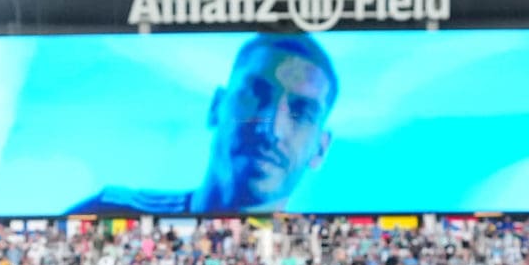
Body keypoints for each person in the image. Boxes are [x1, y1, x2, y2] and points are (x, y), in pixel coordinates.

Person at [71, 33, 337, 217]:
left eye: (302, 112)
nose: (272, 129)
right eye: (256, 95)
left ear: (321, 150)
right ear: (216, 107)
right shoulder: (106, 213)